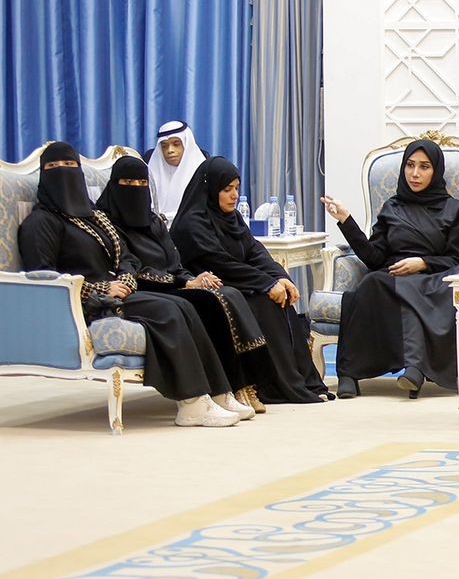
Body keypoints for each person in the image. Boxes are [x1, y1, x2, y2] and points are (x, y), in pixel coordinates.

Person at [18, 142, 244, 427]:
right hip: (87, 304)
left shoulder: (94, 217)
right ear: (44, 174)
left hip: (120, 293)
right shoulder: (41, 223)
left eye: (70, 165)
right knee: (168, 312)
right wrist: (101, 289)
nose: (64, 172)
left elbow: (125, 256)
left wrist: (124, 280)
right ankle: (192, 403)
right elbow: (45, 280)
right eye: (54, 167)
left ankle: (216, 392)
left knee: (183, 305)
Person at [95, 155, 270, 415]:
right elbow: (131, 267)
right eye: (128, 183)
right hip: (143, 289)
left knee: (222, 295)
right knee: (207, 303)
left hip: (171, 286)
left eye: (141, 183)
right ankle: (211, 392)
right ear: (113, 185)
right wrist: (182, 283)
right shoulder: (106, 223)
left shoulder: (153, 221)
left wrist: (190, 279)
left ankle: (233, 387)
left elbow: (174, 261)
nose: (135, 189)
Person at [171, 156, 332, 403]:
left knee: (282, 299)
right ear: (210, 189)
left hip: (239, 283)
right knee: (265, 303)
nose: (234, 195)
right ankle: (274, 385)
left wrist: (280, 277)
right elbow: (220, 263)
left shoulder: (232, 218)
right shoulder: (192, 224)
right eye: (227, 189)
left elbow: (255, 251)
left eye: (237, 188)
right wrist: (266, 284)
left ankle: (301, 382)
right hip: (211, 291)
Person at [319, 139, 459, 400]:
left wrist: (423, 262)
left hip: (433, 276)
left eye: (424, 167)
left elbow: (455, 258)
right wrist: (346, 220)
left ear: (436, 171)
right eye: (410, 165)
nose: (415, 173)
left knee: (408, 291)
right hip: (394, 274)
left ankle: (414, 368)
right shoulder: (392, 207)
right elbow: (374, 258)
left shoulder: (454, 209)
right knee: (370, 284)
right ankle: (351, 373)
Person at [147, 120, 205, 221]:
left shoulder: (203, 173)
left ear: (186, 145)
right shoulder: (151, 173)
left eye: (176, 144)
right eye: (164, 146)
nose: (170, 150)